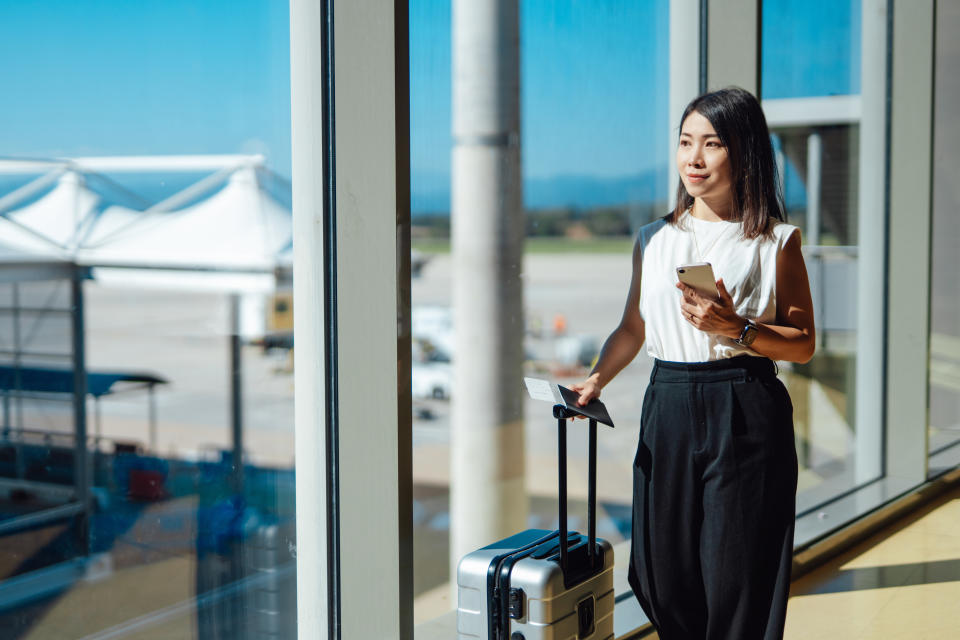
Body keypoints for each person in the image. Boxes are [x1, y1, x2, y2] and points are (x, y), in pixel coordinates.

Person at [571, 86, 815, 640]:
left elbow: (802, 342)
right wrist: (596, 378)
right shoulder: (652, 238)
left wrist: (737, 329)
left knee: (736, 576)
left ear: (744, 152)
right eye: (685, 143)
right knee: (659, 572)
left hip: (745, 405)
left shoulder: (774, 241)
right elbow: (633, 327)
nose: (693, 158)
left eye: (711, 144)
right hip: (669, 404)